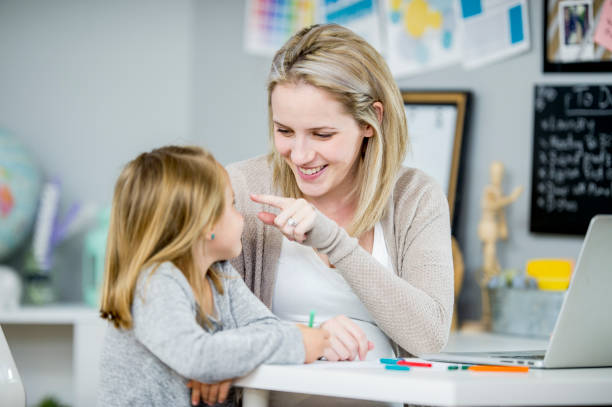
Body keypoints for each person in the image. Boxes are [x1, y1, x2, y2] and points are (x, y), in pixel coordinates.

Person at [97, 146, 329, 406]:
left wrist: (222, 358)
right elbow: (198, 357)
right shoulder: (155, 283)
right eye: (232, 205)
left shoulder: (219, 275)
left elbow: (267, 327)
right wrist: (297, 341)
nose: (241, 216)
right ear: (206, 224)